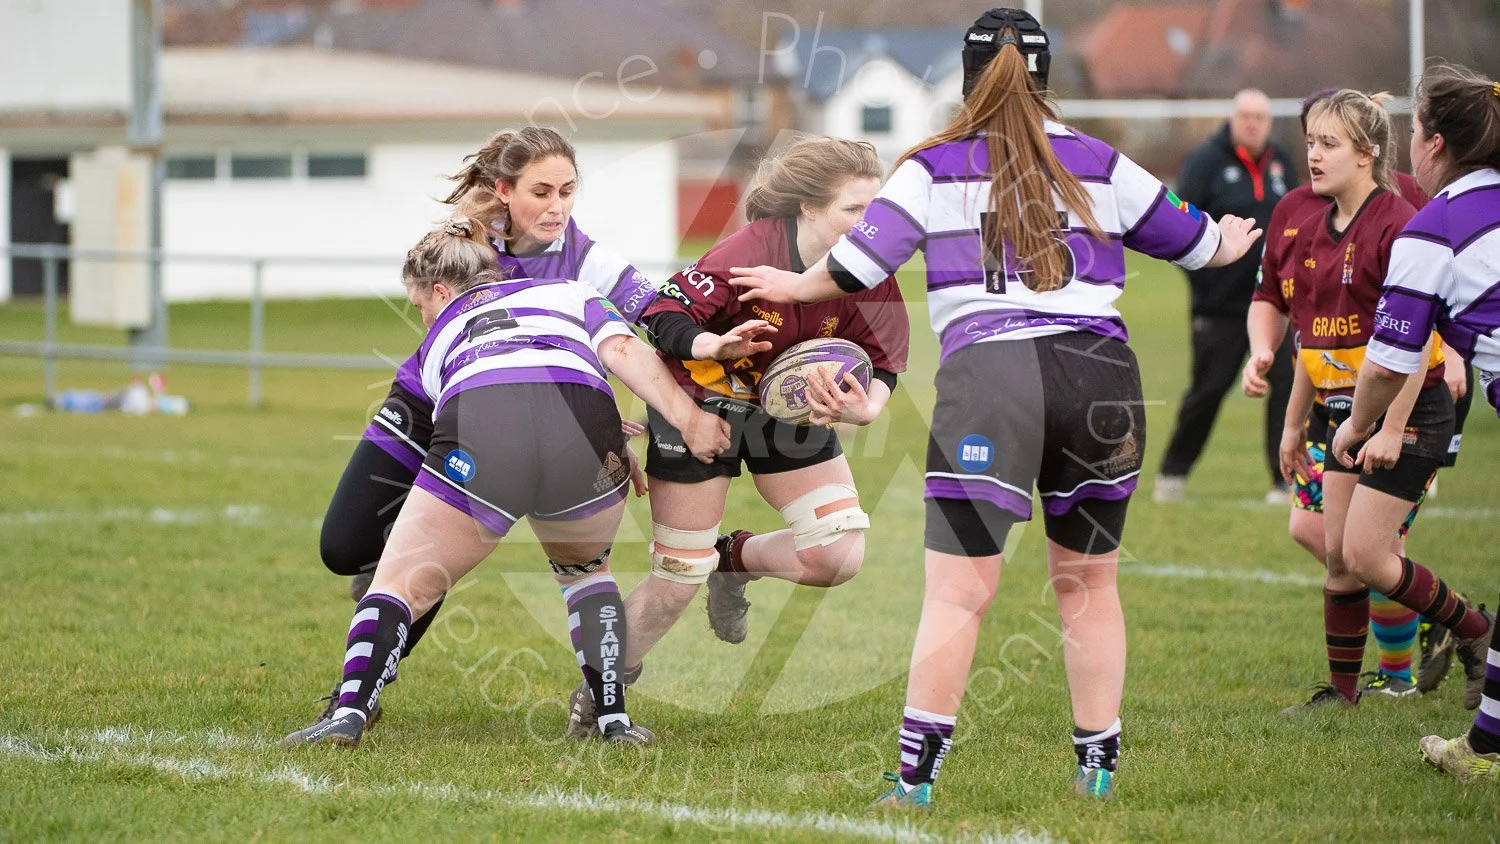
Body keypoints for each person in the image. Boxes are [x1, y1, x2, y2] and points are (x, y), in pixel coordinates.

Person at [731, 8, 1261, 803]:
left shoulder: (931, 166)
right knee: (1089, 586)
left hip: (993, 381)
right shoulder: (1100, 161)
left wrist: (791, 286)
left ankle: (914, 784)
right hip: (1102, 379)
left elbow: (855, 266)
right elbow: (1200, 247)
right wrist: (1229, 234)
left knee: (957, 596)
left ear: (970, 76)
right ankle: (1098, 778)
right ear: (1045, 77)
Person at [281, 218, 731, 748]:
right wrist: (687, 420)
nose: (421, 316)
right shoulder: (572, 292)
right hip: (589, 435)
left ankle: (349, 712)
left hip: (487, 422)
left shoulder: (438, 338)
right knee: (587, 577)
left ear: (440, 292)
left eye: (418, 303)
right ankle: (613, 721)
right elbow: (625, 355)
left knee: (401, 582)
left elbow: (423, 429)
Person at [563, 136, 911, 738]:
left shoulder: (867, 268)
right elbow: (661, 315)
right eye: (853, 209)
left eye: (873, 209)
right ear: (807, 208)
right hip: (702, 406)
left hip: (786, 409)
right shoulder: (747, 253)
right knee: (676, 576)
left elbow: (883, 364)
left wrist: (866, 411)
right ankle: (602, 693)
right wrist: (710, 345)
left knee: (837, 552)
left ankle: (735, 561)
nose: (867, 223)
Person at [313, 127, 661, 725]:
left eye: (568, 191)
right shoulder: (461, 239)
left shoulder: (586, 257)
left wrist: (603, 424)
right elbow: (431, 305)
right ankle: (399, 584)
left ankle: (362, 691)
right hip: (434, 394)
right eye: (542, 192)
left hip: (526, 411)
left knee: (421, 563)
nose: (557, 207)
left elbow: (651, 322)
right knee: (343, 546)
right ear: (504, 190)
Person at [1271, 89, 1492, 719]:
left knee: (1369, 555)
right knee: (1339, 555)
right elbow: (1311, 344)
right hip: (1347, 413)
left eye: (1330, 144)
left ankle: (1476, 631)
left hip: (1410, 411)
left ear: (1368, 154)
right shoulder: (1315, 229)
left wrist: (1390, 426)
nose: (1313, 154)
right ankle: (1341, 696)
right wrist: (1295, 426)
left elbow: (1413, 340)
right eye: (1311, 141)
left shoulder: (1400, 223)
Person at [1328, 63, 1500, 782]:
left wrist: (1357, 427)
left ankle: (1483, 750)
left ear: (1429, 144)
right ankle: (1483, 750)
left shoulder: (1437, 228)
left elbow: (1388, 362)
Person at [1155, 88, 1301, 504]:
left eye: (1260, 116)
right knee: (1209, 388)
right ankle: (1173, 473)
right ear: (1233, 118)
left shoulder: (1281, 162)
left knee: (1286, 386)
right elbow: (1177, 225)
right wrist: (1205, 284)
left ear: (1269, 121)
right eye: (1245, 115)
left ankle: (1282, 479)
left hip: (1273, 305)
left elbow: (1296, 218)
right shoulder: (1206, 162)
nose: (1252, 123)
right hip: (1219, 307)